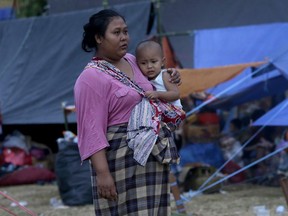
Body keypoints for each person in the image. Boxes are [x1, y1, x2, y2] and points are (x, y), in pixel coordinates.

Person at [74, 9, 181, 215]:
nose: (124, 37)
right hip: (120, 160)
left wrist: (171, 76)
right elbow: (91, 130)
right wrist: (103, 174)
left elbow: (157, 81)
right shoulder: (91, 78)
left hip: (151, 152)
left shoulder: (135, 61)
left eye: (126, 31)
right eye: (116, 33)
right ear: (98, 38)